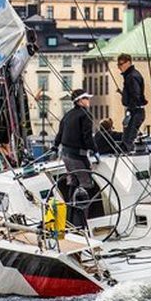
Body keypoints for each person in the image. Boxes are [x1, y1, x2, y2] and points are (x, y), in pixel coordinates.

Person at [52, 89, 97, 227]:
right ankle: (82, 223)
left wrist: (55, 146)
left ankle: (70, 219)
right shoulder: (85, 115)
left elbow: (60, 134)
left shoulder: (67, 115)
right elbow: (87, 137)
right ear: (79, 101)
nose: (88, 101)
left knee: (72, 184)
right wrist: (95, 150)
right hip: (77, 156)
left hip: (66, 155)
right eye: (86, 99)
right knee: (86, 185)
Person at [116, 53, 147, 152]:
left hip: (135, 111)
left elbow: (135, 94)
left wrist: (130, 108)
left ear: (128, 62)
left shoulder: (131, 76)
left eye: (121, 64)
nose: (119, 67)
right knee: (127, 137)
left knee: (128, 138)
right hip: (135, 110)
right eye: (118, 65)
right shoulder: (131, 75)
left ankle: (125, 157)